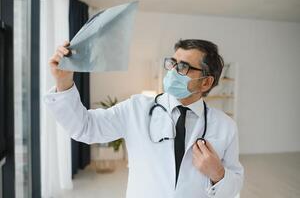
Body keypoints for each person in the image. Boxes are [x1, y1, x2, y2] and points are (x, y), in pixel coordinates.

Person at [44, 39, 244, 198]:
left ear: (206, 82)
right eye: (172, 63)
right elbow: (85, 127)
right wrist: (63, 82)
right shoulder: (136, 108)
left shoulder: (225, 127)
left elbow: (234, 185)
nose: (173, 71)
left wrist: (218, 173)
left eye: (183, 67)